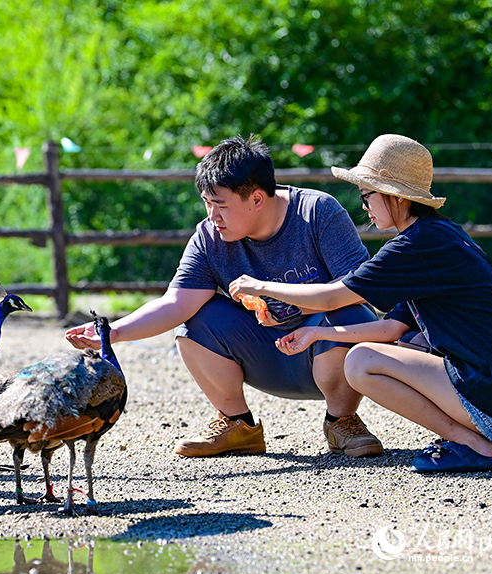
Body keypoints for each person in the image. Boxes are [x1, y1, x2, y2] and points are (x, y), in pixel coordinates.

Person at [229, 134, 492, 473]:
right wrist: (316, 334)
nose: (364, 206)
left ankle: (470, 443)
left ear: (396, 195)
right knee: (401, 343)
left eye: (367, 195)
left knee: (360, 362)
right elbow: (392, 328)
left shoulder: (417, 244)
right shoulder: (438, 235)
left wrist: (260, 286)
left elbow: (331, 296)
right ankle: (471, 438)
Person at [65, 135, 383, 458]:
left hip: (324, 349)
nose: (212, 215)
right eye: (207, 202)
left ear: (256, 199)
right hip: (266, 356)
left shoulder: (317, 212)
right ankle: (237, 424)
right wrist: (113, 332)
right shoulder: (209, 237)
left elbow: (358, 288)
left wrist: (285, 299)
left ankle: (342, 421)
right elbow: (175, 303)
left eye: (221, 205)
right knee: (193, 320)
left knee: (352, 313)